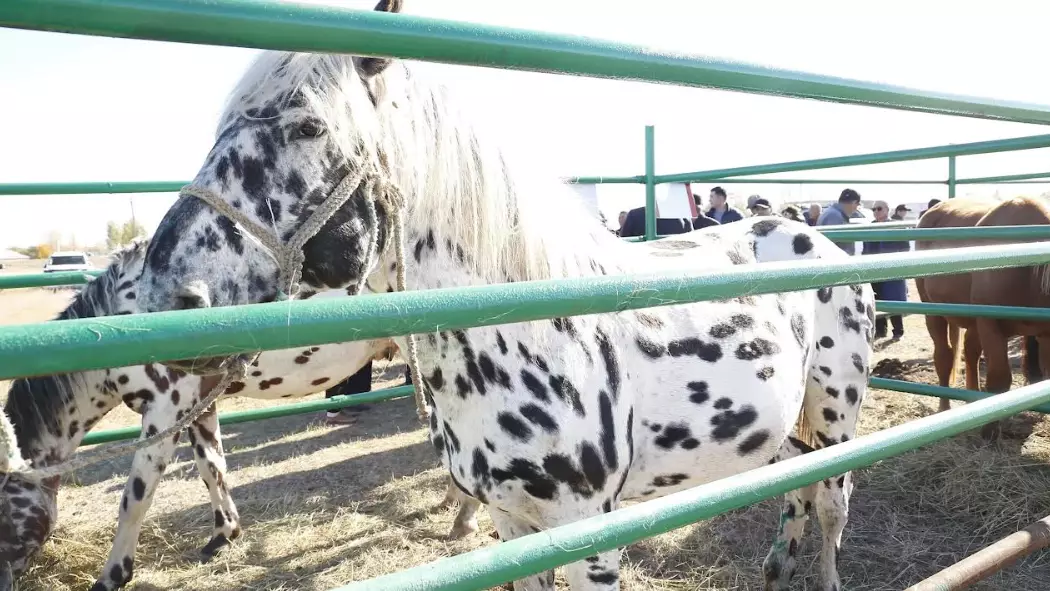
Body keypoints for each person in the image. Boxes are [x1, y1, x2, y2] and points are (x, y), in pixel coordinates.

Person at [862, 200, 910, 339]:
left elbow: (905, 248)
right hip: (873, 269)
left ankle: (898, 331)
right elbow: (866, 249)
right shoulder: (870, 227)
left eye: (879, 209)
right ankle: (880, 330)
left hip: (891, 270)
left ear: (887, 210)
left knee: (894, 300)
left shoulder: (897, 227)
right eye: (874, 209)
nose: (876, 212)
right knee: (876, 299)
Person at [816, 188, 863, 254]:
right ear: (854, 203)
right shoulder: (835, 216)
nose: (856, 209)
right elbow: (831, 248)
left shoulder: (831, 213)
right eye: (857, 205)